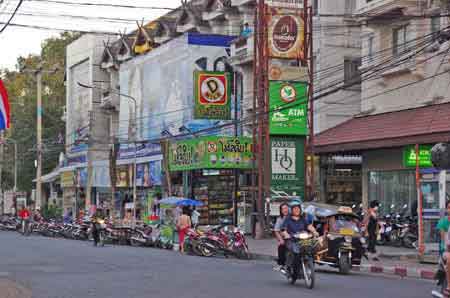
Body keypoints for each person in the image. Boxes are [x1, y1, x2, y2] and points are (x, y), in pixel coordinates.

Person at [273, 203, 289, 271]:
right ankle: (281, 264)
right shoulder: (280, 219)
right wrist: (281, 240)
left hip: (295, 236)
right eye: (283, 209)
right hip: (285, 237)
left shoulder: (293, 216)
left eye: (286, 208)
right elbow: (276, 230)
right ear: (281, 211)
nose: (285, 210)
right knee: (281, 246)